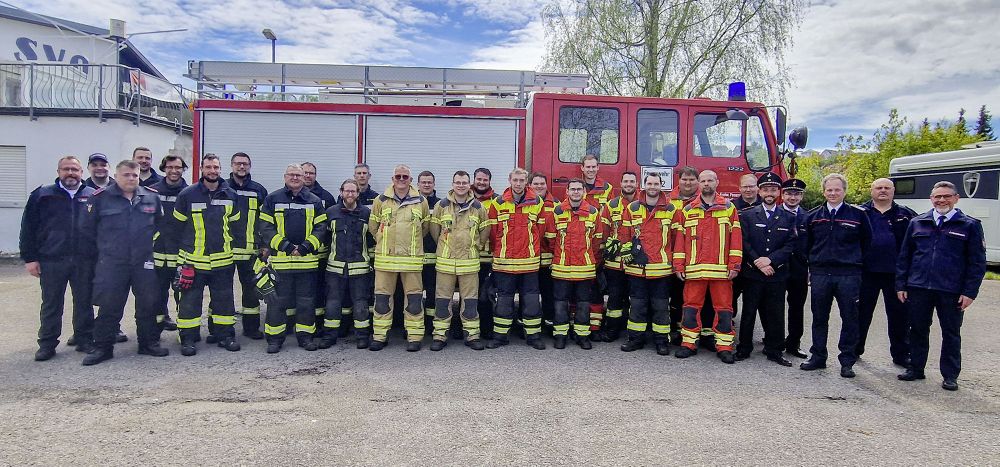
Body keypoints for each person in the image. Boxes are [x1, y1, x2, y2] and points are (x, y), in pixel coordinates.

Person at [896, 181, 986, 391]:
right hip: (919, 287)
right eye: (937, 197)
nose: (941, 200)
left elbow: (977, 262)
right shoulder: (918, 222)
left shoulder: (969, 225)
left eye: (946, 196)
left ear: (956, 198)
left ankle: (950, 375)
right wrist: (901, 284)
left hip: (951, 289)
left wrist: (969, 292)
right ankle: (916, 368)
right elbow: (904, 257)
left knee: (951, 332)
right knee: (917, 329)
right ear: (931, 199)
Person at [80, 160, 168, 365]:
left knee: (148, 304)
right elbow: (87, 232)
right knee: (110, 306)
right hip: (112, 263)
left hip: (143, 262)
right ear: (116, 176)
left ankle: (148, 344)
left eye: (134, 175)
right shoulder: (100, 198)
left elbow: (159, 226)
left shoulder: (151, 197)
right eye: (126, 175)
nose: (131, 179)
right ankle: (102, 347)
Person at [20, 156, 97, 360]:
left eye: (75, 169)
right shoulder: (42, 195)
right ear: (58, 172)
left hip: (84, 260)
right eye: (66, 169)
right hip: (52, 259)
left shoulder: (93, 195)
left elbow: (100, 230)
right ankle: (47, 344)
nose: (70, 173)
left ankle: (84, 339)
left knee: (84, 301)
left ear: (82, 173)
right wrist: (30, 259)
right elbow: (28, 227)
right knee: (51, 303)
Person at [800, 173, 872, 378]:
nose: (833, 193)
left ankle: (847, 361)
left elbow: (867, 242)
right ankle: (818, 356)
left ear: (844, 191)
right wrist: (812, 265)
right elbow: (806, 245)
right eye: (829, 190)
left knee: (849, 318)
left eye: (837, 190)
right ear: (824, 192)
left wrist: (855, 263)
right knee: (819, 317)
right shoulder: (813, 216)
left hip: (848, 274)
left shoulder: (858, 215)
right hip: (821, 274)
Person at [172, 154, 243, 356]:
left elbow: (236, 227)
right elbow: (176, 228)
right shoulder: (187, 194)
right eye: (208, 167)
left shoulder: (230, 194)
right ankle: (187, 338)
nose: (212, 171)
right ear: (201, 169)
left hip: (223, 260)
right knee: (189, 303)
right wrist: (182, 259)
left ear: (221, 169)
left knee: (224, 301)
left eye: (216, 167)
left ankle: (225, 335)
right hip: (193, 261)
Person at [673, 170, 742, 364]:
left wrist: (734, 264)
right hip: (694, 269)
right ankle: (688, 343)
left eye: (710, 180)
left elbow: (735, 239)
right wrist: (678, 264)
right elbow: (680, 241)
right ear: (698, 184)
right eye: (702, 181)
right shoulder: (687, 210)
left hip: (721, 270)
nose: (706, 184)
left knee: (724, 309)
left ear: (717, 182)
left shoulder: (728, 208)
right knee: (690, 308)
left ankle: (725, 346)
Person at [258, 164, 327, 353]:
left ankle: (305, 337)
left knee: (306, 302)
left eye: (298, 175)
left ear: (304, 178)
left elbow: (321, 229)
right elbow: (265, 228)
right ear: (285, 176)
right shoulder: (272, 199)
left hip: (307, 262)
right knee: (277, 303)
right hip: (281, 262)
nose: (295, 178)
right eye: (292, 175)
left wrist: (305, 247)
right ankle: (275, 339)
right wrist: (287, 247)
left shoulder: (314, 201)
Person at [735, 172, 797, 366]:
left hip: (776, 273)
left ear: (779, 192)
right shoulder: (747, 215)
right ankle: (744, 348)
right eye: (765, 189)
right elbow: (744, 242)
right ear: (759, 192)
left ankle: (774, 350)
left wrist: (770, 261)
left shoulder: (788, 217)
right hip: (753, 273)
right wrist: (758, 262)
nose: (769, 193)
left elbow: (790, 244)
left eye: (773, 190)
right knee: (748, 312)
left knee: (776, 313)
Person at [369, 165, 431, 351]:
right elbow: (373, 227)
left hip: (411, 261)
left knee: (413, 300)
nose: (401, 179)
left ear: (411, 180)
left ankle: (414, 336)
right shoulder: (381, 200)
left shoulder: (421, 201)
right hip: (385, 260)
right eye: (398, 176)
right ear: (392, 178)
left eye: (405, 176)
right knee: (381, 299)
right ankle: (380, 336)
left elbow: (425, 229)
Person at [857, 178, 917, 366]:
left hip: (896, 275)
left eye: (887, 188)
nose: (882, 191)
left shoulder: (906, 215)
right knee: (860, 314)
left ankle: (901, 354)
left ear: (893, 191)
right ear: (871, 190)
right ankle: (854, 350)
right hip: (866, 273)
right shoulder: (859, 212)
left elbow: (915, 244)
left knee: (900, 316)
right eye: (878, 188)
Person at [484, 168, 546, 350]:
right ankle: (500, 336)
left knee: (532, 301)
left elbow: (540, 232)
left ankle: (533, 336)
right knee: (503, 301)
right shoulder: (498, 203)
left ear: (526, 182)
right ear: (509, 180)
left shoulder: (537, 202)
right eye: (515, 180)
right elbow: (493, 234)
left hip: (529, 263)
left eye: (521, 180)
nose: (518, 184)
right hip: (504, 263)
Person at [429, 170, 489, 351]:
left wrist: (475, 247)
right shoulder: (441, 205)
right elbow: (434, 230)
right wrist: (444, 246)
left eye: (464, 182)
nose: (461, 185)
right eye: (458, 182)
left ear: (469, 184)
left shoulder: (478, 207)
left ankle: (472, 335)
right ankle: (440, 335)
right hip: (446, 262)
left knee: (470, 300)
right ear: (453, 183)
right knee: (442, 300)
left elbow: (485, 231)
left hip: (469, 263)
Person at [619, 173, 677, 355]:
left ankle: (661, 341)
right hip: (637, 269)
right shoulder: (632, 208)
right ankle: (635, 339)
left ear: (662, 185)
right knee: (637, 306)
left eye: (656, 183)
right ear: (644, 185)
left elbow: (676, 240)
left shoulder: (671, 209)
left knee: (661, 307)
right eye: (649, 183)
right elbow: (624, 236)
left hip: (661, 269)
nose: (652, 186)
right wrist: (628, 253)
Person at [543, 178, 603, 349]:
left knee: (584, 303)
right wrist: (560, 256)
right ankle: (560, 335)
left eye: (579, 189)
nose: (576, 192)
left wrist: (590, 258)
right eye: (573, 189)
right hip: (562, 268)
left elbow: (597, 241)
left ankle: (581, 335)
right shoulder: (557, 211)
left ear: (584, 192)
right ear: (567, 192)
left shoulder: (593, 212)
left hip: (584, 269)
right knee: (560, 303)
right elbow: (550, 239)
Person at [322, 179, 375, 349]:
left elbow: (371, 240)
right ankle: (330, 336)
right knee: (333, 303)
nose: (350, 194)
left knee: (360, 304)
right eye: (347, 191)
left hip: (360, 268)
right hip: (335, 268)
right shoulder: (331, 212)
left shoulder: (366, 214)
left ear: (358, 194)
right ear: (341, 192)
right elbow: (325, 239)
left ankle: (362, 336)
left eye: (353, 191)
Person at [227, 152, 269, 340]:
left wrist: (265, 245)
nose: (241, 167)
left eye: (244, 164)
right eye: (238, 164)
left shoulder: (259, 190)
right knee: (222, 291)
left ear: (250, 166)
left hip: (252, 250)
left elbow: (267, 221)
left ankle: (251, 329)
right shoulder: (222, 188)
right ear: (232, 166)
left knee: (251, 292)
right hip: (225, 250)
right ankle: (220, 330)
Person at [150, 155, 189, 332]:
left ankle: (185, 325)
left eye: (178, 167)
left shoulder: (189, 193)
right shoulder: (152, 192)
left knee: (183, 291)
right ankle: (158, 324)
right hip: (157, 251)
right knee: (158, 291)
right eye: (170, 167)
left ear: (183, 169)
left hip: (181, 251)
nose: (174, 170)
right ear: (164, 168)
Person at [600, 171, 638, 342]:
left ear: (636, 184)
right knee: (615, 298)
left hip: (637, 262)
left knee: (637, 299)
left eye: (632, 181)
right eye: (625, 181)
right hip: (615, 263)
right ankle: (612, 329)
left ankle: (634, 332)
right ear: (620, 183)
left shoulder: (642, 204)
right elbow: (604, 232)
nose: (628, 184)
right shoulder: (611, 205)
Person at [580, 154, 615, 336]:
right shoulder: (577, 188)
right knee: (578, 286)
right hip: (580, 243)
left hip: (599, 241)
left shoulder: (608, 189)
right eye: (588, 167)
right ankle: (578, 324)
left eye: (594, 167)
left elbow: (611, 215)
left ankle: (595, 327)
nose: (591, 170)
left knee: (596, 287)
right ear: (582, 169)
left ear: (598, 168)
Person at [667, 166, 699, 345]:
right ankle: (673, 328)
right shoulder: (668, 200)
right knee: (674, 295)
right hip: (670, 257)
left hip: (694, 257)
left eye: (692, 180)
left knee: (690, 297)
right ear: (678, 181)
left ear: (697, 182)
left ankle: (686, 328)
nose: (688, 183)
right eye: (684, 179)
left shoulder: (702, 201)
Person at [301, 161, 335, 328]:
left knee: (319, 289)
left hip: (319, 253)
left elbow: (329, 227)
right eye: (305, 172)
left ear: (315, 175)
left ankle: (318, 323)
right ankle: (294, 322)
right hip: (293, 253)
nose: (308, 175)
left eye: (311, 173)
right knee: (297, 291)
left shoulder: (326, 197)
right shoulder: (283, 196)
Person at [780, 178, 809, 358]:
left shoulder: (809, 217)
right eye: (789, 193)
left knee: (797, 307)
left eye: (796, 194)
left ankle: (793, 343)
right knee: (773, 307)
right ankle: (773, 339)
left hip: (799, 268)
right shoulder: (774, 215)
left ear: (801, 196)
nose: (792, 197)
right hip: (778, 266)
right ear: (782, 195)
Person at [473, 168, 501, 339]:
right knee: (467, 295)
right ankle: (465, 328)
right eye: (479, 179)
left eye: (485, 179)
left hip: (489, 257)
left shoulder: (497, 201)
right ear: (474, 179)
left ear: (490, 181)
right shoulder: (465, 198)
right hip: (468, 256)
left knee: (486, 296)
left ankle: (486, 329)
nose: (481, 182)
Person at [531, 172, 559, 335]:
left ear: (547, 185)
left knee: (549, 295)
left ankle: (549, 324)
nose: (539, 186)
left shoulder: (556, 204)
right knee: (530, 296)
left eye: (542, 183)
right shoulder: (526, 203)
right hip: (528, 259)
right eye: (536, 184)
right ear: (530, 185)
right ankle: (526, 326)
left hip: (548, 259)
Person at [417, 171, 441, 334]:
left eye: (429, 182)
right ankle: (414, 324)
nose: (426, 184)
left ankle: (430, 325)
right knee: (414, 294)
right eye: (423, 182)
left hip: (434, 257)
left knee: (432, 292)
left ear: (434, 184)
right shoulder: (412, 203)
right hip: (415, 257)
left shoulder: (440, 204)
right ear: (417, 184)